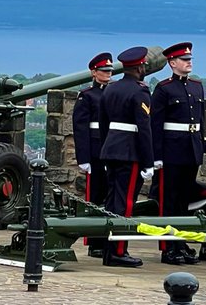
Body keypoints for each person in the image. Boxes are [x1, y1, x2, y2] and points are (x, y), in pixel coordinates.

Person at [96, 46, 154, 268]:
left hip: (111, 149)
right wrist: (148, 162)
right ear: (140, 67)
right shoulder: (140, 91)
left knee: (112, 201)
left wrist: (105, 148)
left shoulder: (110, 89)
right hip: (130, 153)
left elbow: (103, 124)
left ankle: (108, 248)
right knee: (126, 203)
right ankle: (118, 251)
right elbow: (144, 129)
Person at [150, 41, 206, 265]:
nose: (189, 62)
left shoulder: (196, 86)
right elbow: (156, 125)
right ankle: (168, 247)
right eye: (184, 60)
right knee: (169, 201)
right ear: (172, 63)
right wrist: (157, 156)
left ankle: (181, 243)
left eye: (190, 59)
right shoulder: (164, 89)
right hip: (171, 152)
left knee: (184, 202)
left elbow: (200, 121)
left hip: (190, 151)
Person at [73, 51, 114, 258]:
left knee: (112, 197)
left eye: (109, 70)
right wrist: (84, 158)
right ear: (94, 72)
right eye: (103, 70)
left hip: (112, 150)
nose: (108, 74)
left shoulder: (114, 92)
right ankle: (95, 242)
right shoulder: (88, 95)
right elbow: (80, 128)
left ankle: (109, 239)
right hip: (96, 152)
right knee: (95, 198)